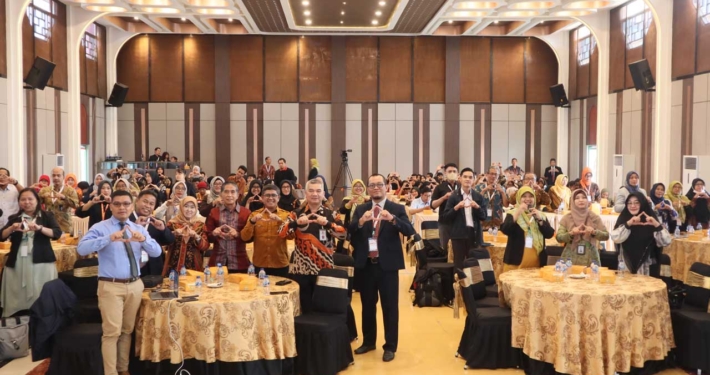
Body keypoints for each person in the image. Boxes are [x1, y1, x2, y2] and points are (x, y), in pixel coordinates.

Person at [77, 190, 162, 375]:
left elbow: (156, 252)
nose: (122, 207)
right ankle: (110, 372)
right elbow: (82, 248)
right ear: (111, 206)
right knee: (112, 332)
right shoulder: (101, 227)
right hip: (111, 285)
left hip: (135, 285)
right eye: (117, 204)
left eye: (126, 204)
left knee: (126, 331)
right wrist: (109, 238)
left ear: (132, 206)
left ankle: (123, 370)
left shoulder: (137, 228)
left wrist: (145, 240)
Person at [349, 174, 414, 362]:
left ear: (386, 187)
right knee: (367, 306)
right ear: (368, 188)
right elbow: (350, 231)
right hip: (366, 265)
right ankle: (369, 341)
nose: (376, 188)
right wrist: (360, 222)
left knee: (390, 307)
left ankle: (390, 346)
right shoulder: (361, 208)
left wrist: (393, 219)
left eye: (379, 185)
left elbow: (409, 230)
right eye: (372, 185)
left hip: (388, 267)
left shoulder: (397, 208)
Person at [279, 178, 345, 314]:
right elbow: (281, 233)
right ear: (306, 193)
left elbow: (344, 234)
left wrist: (328, 224)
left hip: (325, 267)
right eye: (311, 191)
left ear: (323, 194)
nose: (315, 194)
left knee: (325, 308)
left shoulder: (331, 214)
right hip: (301, 268)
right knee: (304, 308)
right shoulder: (296, 213)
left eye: (318, 191)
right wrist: (295, 223)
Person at [0, 188, 62, 317]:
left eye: (30, 199)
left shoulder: (46, 216)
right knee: (16, 296)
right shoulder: (14, 218)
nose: (26, 202)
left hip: (41, 261)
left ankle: (43, 318)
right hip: (17, 261)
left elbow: (56, 233)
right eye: (23, 199)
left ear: (37, 201)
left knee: (40, 291)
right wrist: (12, 228)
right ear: (19, 202)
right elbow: (1, 236)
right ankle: (16, 322)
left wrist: (39, 228)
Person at [611, 192, 672, 276]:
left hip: (647, 268)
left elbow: (666, 241)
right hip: (625, 266)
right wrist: (629, 223)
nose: (632, 206)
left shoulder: (651, 219)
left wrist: (657, 225)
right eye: (629, 203)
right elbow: (615, 238)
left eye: (637, 202)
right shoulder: (624, 218)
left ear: (642, 203)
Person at [500, 186, 555, 274]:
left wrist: (539, 219)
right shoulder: (512, 213)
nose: (527, 199)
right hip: (516, 261)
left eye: (530, 196)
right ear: (519, 198)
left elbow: (549, 234)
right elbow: (506, 230)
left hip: (537, 261)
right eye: (524, 196)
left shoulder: (539, 214)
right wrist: (518, 212)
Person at [241, 184, 293, 277]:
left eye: (273, 195)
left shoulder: (286, 215)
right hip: (260, 264)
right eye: (267, 195)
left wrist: (280, 222)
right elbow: (244, 237)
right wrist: (252, 222)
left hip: (280, 263)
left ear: (279, 197)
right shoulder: (254, 215)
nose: (270, 198)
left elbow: (291, 236)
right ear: (262, 198)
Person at [443, 168, 486, 270]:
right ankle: (458, 285)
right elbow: (445, 217)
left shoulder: (478, 196)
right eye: (465, 177)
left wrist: (477, 207)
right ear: (460, 179)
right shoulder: (454, 197)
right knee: (459, 264)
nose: (467, 179)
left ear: (474, 179)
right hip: (458, 235)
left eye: (470, 177)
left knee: (474, 265)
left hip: (474, 234)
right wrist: (456, 207)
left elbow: (484, 216)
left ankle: (472, 286)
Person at [206, 182, 251, 273]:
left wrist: (238, 234)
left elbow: (250, 238)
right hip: (217, 261)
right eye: (226, 192)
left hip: (239, 262)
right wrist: (214, 233)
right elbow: (207, 237)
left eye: (232, 192)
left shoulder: (246, 213)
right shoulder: (214, 212)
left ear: (238, 195)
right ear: (221, 194)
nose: (229, 195)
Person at [557, 189, 609, 266]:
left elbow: (606, 236)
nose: (581, 200)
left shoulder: (594, 217)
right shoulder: (567, 218)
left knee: (592, 277)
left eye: (584, 197)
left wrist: (594, 232)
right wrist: (571, 233)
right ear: (572, 201)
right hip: (570, 258)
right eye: (577, 198)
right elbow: (559, 238)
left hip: (590, 258)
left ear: (587, 200)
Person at [130, 190, 175, 276]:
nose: (147, 206)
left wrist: (163, 229)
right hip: (132, 267)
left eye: (151, 204)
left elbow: (170, 240)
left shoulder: (156, 222)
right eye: (145, 201)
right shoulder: (127, 220)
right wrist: (135, 226)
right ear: (137, 201)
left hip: (154, 267)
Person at [163, 197, 209, 275]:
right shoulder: (172, 223)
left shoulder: (200, 225)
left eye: (192, 207)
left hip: (194, 267)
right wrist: (173, 233)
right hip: (173, 266)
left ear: (196, 209)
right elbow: (163, 242)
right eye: (186, 206)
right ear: (181, 207)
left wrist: (196, 236)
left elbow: (205, 246)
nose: (189, 210)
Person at [39, 167, 79, 234]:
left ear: (63, 177)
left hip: (64, 225)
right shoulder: (45, 190)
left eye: (58, 175)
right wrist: (41, 196)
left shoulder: (70, 190)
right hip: (48, 226)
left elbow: (76, 205)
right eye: (54, 175)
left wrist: (65, 198)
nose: (56, 178)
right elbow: (35, 203)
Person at [431, 163, 459, 251]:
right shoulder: (440, 187)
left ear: (458, 174)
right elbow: (432, 205)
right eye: (449, 171)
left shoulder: (461, 186)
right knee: (445, 248)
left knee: (458, 248)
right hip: (445, 222)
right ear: (445, 173)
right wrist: (444, 198)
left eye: (454, 171)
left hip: (459, 222)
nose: (452, 173)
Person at [475, 166, 508, 231]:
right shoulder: (479, 187)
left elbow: (506, 205)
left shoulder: (502, 188)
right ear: (487, 174)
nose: (493, 176)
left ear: (498, 176)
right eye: (491, 174)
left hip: (497, 223)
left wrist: (502, 192)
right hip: (483, 223)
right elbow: (475, 202)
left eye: (496, 174)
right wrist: (484, 190)